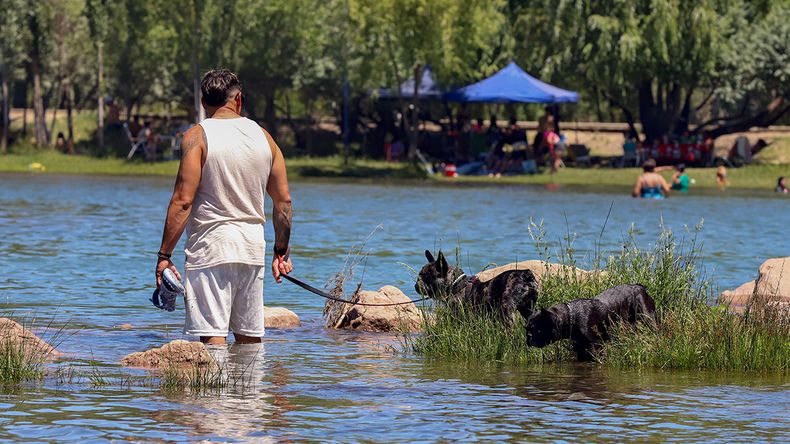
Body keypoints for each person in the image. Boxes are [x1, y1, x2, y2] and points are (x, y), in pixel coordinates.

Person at [155, 69, 293, 346]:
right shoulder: (265, 138)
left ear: (203, 102)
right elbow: (283, 203)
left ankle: (215, 377)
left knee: (212, 340)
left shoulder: (197, 136)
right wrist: (280, 252)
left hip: (211, 249)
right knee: (249, 340)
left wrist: (164, 255)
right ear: (238, 99)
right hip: (251, 250)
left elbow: (183, 201)